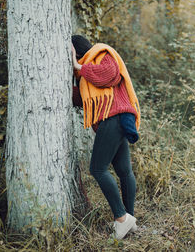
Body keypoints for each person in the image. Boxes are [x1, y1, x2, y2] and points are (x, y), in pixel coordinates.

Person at [71, 35, 141, 240]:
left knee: (97, 169)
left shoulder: (101, 52)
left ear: (77, 50)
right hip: (115, 119)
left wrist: (78, 65)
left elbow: (109, 74)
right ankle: (130, 220)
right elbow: (82, 99)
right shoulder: (84, 73)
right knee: (124, 171)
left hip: (113, 117)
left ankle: (121, 218)